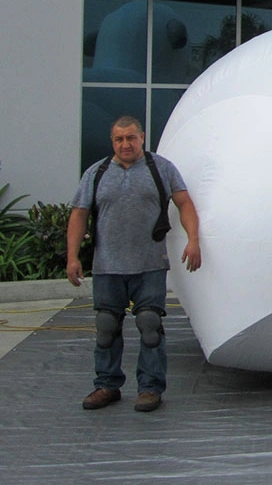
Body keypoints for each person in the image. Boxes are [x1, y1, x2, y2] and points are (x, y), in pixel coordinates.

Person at [66, 116, 202, 413]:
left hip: (150, 265)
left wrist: (193, 240)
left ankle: (150, 389)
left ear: (142, 137)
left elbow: (185, 203)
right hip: (107, 266)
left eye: (131, 138)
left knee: (150, 326)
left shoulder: (161, 169)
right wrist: (73, 256)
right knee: (106, 327)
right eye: (119, 139)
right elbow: (79, 214)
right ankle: (106, 385)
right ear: (112, 141)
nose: (125, 144)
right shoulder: (96, 173)